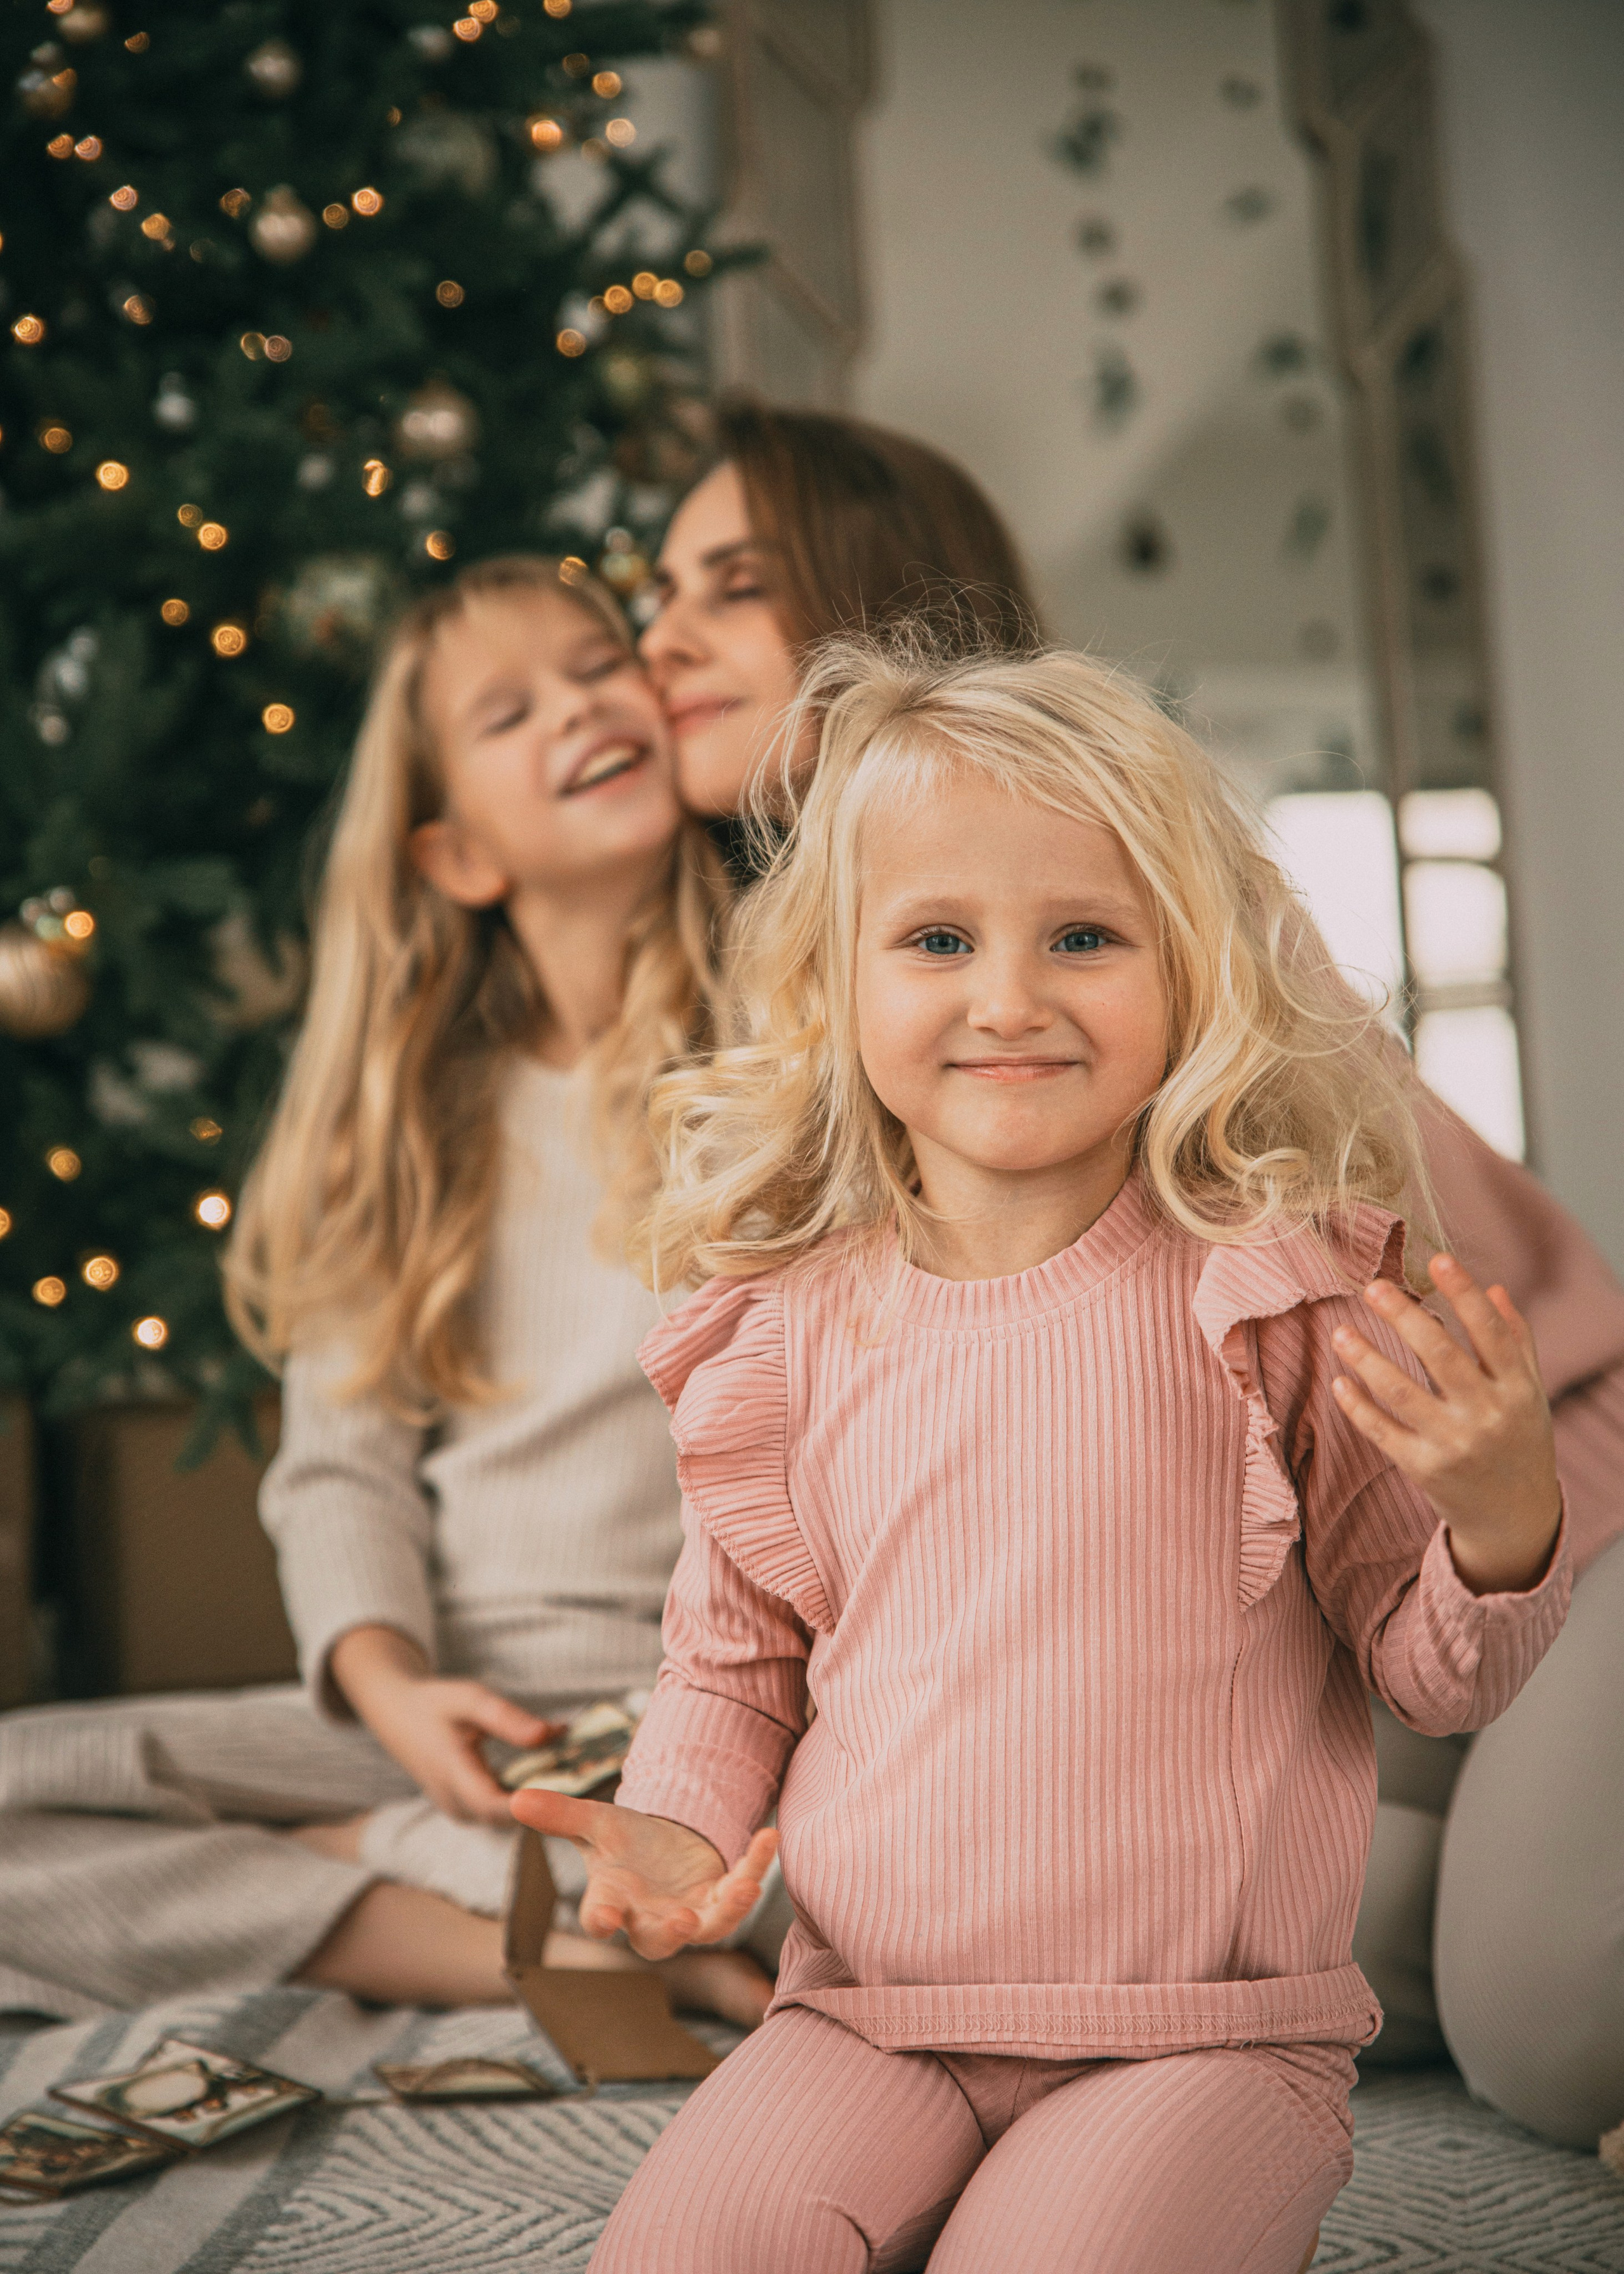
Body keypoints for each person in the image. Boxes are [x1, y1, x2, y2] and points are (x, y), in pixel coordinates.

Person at [516, 634, 1569, 2271]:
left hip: (1201, 2041)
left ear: (1189, 973)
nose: (1007, 998)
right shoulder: (782, 1326)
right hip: (863, 2017)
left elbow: (1436, 1678)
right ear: (836, 983)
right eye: (936, 938)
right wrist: (671, 1829)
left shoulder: (1277, 1291)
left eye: (1083, 937)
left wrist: (1502, 1522)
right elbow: (732, 1663)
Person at [641, 398, 1624, 2148]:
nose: (659, 640)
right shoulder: (799, 983)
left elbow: (1477, 1359)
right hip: (1294, 1589)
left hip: (1535, 1472)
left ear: (866, 615)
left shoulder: (1154, 916)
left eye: (728, 586)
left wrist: (1503, 1517)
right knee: (1297, 1921)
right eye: (655, 590)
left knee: (1541, 2022)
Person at [0, 555, 770, 2029]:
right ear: (458, 855)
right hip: (454, 1715)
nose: (580, 705)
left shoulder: (782, 1057)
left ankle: (441, 1886)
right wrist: (392, 1688)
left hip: (712, 1712)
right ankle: (507, 1936)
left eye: (600, 662)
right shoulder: (415, 1122)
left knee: (908, 1878)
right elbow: (338, 1468)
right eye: (507, 709)